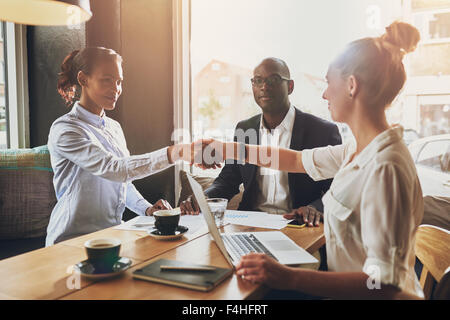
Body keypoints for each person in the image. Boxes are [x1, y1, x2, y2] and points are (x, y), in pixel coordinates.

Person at [200, 21, 424, 298]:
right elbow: (294, 160)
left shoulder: (386, 167)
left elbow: (383, 284)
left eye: (329, 82)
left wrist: (289, 277)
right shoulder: (357, 150)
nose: (324, 93)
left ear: (352, 85)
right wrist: (223, 148)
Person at [46, 47, 202, 246]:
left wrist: (147, 209)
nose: (116, 89)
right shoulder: (65, 129)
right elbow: (115, 169)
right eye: (107, 80)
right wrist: (175, 152)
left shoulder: (114, 127)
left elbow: (122, 182)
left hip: (113, 236)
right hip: (71, 241)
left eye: (119, 81)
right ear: (83, 79)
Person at [181, 58, 341, 227]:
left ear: (290, 86)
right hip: (250, 223)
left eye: (273, 80)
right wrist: (204, 197)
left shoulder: (323, 131)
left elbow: (338, 189)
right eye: (258, 80)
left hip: (297, 224)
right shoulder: (244, 129)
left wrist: (315, 208)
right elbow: (228, 180)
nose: (264, 86)